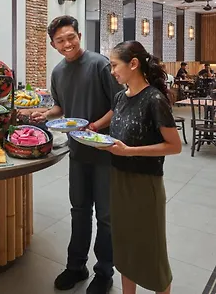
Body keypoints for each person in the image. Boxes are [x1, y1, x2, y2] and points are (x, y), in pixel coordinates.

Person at [32, 15, 122, 294]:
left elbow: (119, 105)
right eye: (60, 40)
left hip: (105, 152)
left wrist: (94, 126)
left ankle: (104, 272)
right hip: (78, 153)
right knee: (79, 211)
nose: (67, 43)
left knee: (106, 216)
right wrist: (45, 114)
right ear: (53, 44)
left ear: (79, 36)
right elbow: (61, 108)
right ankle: (76, 266)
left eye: (71, 37)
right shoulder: (58, 71)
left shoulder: (100, 64)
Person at [101, 41, 181, 294]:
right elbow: (116, 133)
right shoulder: (119, 98)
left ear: (133, 64)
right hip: (118, 179)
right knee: (124, 245)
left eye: (115, 65)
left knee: (151, 250)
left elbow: (174, 146)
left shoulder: (154, 100)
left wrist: (129, 151)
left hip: (145, 184)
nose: (112, 71)